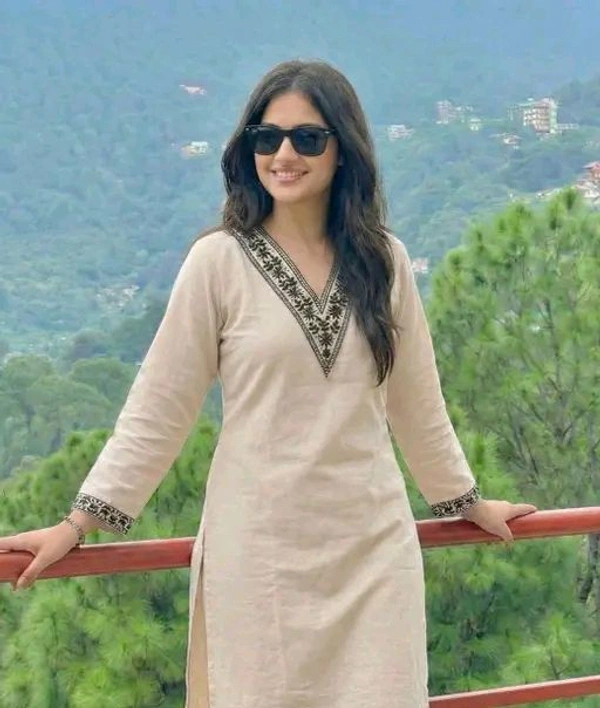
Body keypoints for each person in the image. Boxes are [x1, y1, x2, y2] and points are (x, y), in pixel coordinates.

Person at [0, 59, 536, 707]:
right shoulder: (218, 263)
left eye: (307, 138)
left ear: (344, 150)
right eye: (267, 137)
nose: (284, 155)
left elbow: (417, 401)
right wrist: (77, 523)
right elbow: (160, 408)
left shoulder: (384, 263)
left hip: (372, 550)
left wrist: (465, 501)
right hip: (259, 555)